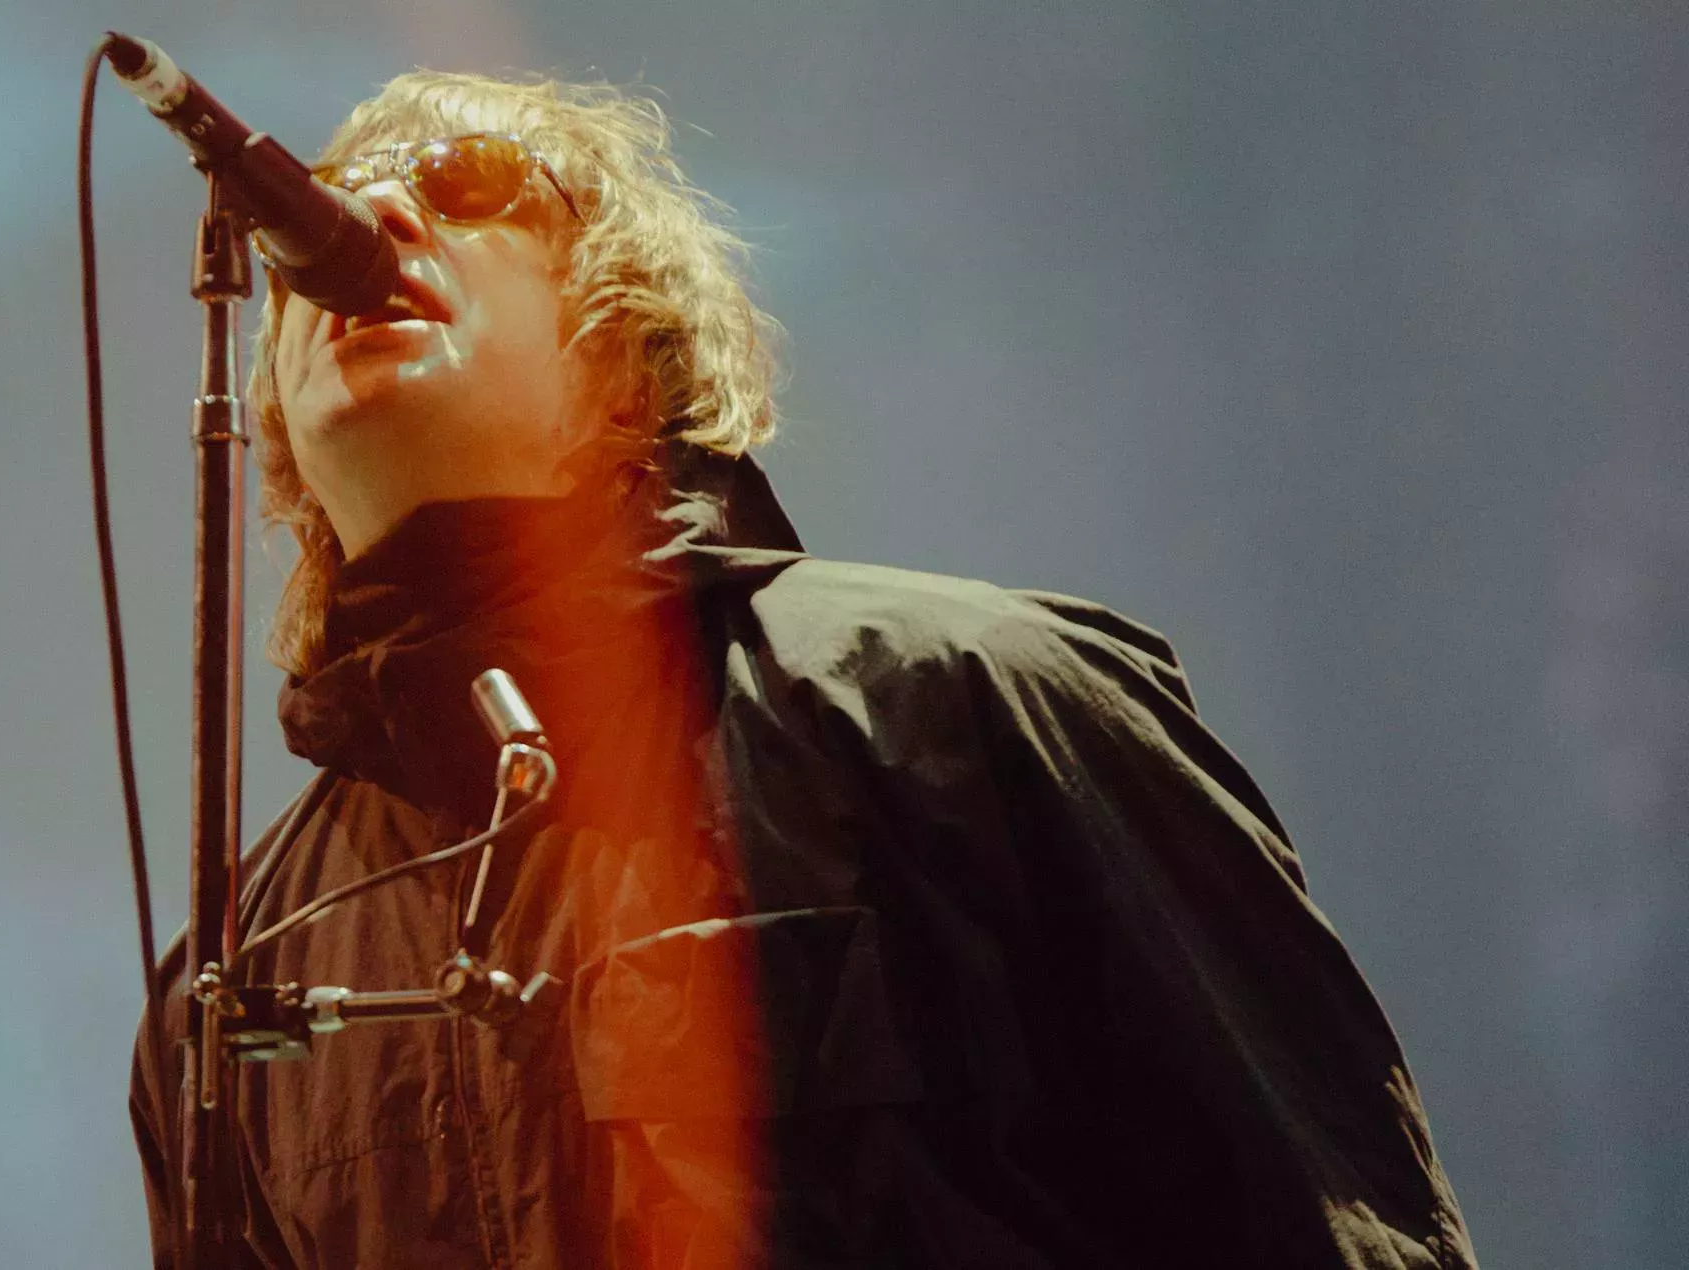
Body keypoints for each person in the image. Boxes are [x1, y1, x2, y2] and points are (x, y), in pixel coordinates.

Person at [131, 72, 1479, 1269]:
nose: (373, 217)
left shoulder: (970, 695)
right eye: (334, 197)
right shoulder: (235, 975)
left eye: (469, 184)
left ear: (622, 351)